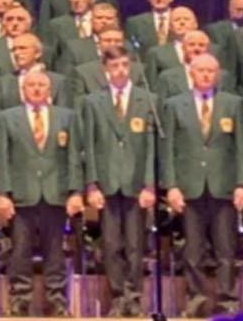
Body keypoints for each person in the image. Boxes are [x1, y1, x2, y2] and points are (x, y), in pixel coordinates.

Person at [160, 52, 243, 318]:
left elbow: (242, 147)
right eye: (201, 70)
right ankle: (196, 298)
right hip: (189, 187)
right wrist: (171, 186)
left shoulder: (233, 103)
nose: (206, 75)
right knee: (193, 250)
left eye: (211, 71)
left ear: (218, 74)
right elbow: (168, 150)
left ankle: (227, 298)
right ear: (191, 74)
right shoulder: (174, 105)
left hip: (223, 186)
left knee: (226, 248)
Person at [0, 69, 83, 315]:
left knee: (55, 251)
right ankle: (20, 298)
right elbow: (1, 159)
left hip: (55, 192)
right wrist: (3, 194)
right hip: (21, 194)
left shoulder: (67, 117)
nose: (36, 89)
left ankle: (57, 299)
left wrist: (75, 191)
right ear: (23, 90)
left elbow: (74, 157)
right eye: (31, 85)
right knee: (20, 249)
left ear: (49, 89)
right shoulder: (6, 118)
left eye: (41, 85)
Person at [81, 47, 159, 317]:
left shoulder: (147, 100)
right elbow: (89, 145)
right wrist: (92, 184)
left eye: (125, 65)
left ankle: (134, 296)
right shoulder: (93, 101)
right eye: (115, 66)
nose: (121, 70)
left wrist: (149, 184)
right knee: (111, 245)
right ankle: (117, 296)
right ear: (106, 69)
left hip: (136, 183)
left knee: (136, 245)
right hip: (107, 182)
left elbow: (151, 146)